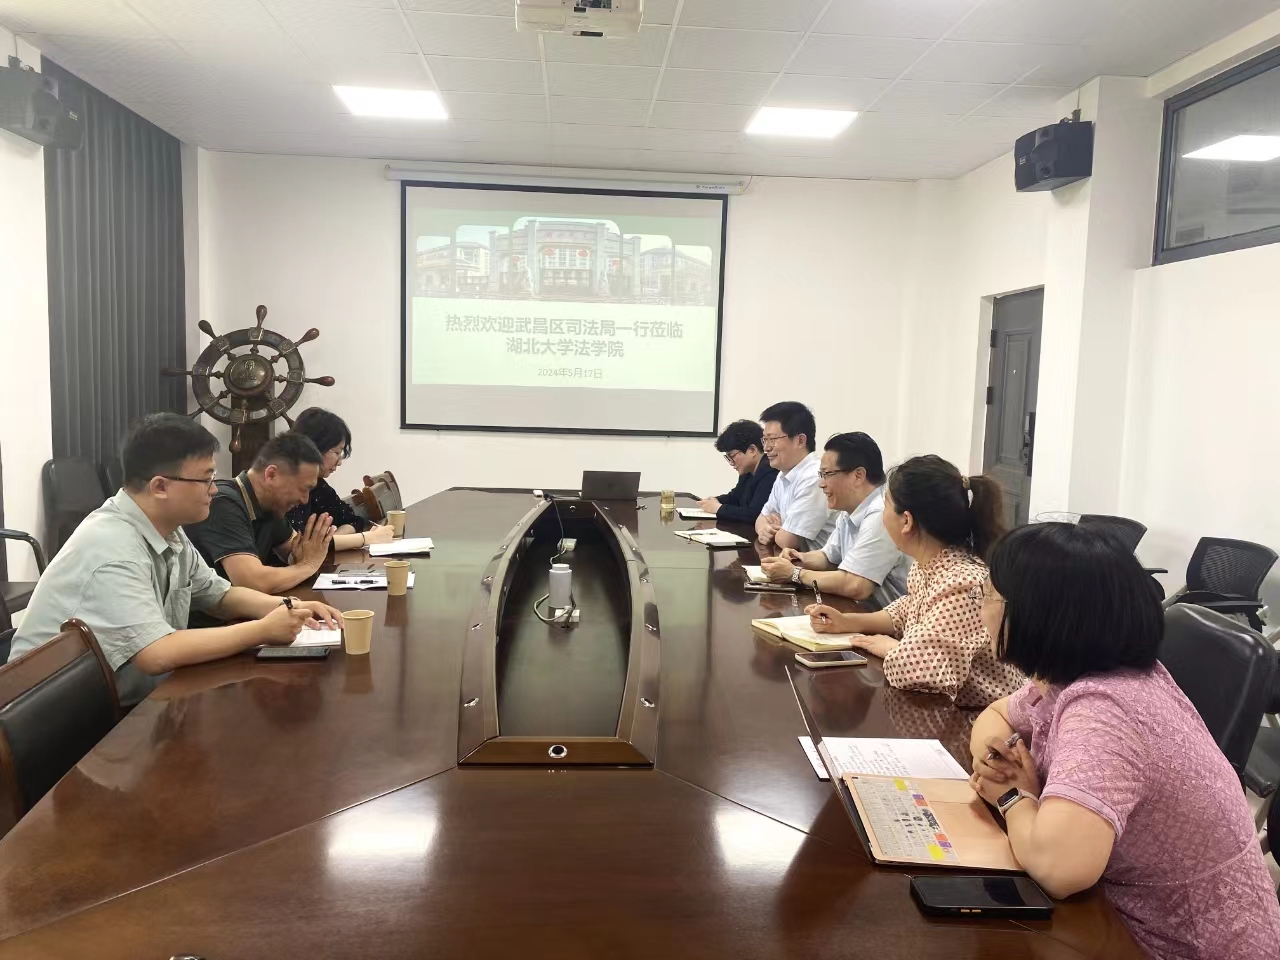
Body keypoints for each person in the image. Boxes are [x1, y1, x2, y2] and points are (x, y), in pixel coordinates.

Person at [968, 523, 1280, 959]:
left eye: (988, 595)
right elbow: (996, 715)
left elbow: (1060, 869)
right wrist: (999, 760)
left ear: (1037, 615)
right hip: (1123, 916)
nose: (981, 608)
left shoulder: (1106, 709)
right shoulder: (1076, 676)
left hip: (1181, 945)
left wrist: (1012, 796)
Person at [7, 414, 342, 707]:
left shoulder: (168, 531)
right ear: (160, 487)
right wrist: (261, 630)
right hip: (60, 724)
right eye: (206, 479)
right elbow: (157, 653)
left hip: (125, 701)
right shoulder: (111, 546)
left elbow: (219, 595)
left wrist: (290, 606)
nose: (214, 489)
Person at [805, 455, 1024, 706]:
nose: (882, 515)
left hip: (980, 716)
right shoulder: (929, 565)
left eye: (886, 505)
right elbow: (908, 610)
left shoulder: (963, 583)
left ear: (906, 521)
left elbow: (924, 673)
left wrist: (890, 647)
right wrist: (848, 622)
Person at [759, 432, 909, 607]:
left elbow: (857, 585)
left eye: (827, 474)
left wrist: (795, 574)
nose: (821, 484)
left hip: (894, 621)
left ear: (858, 475)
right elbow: (829, 557)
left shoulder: (881, 513)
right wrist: (798, 558)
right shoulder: (850, 508)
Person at [185, 431, 334, 596]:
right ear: (271, 475)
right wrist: (308, 566)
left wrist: (305, 557)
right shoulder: (222, 501)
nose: (305, 500)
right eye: (303, 488)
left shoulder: (270, 505)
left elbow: (297, 550)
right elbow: (253, 582)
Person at [286, 408, 393, 551]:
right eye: (337, 452)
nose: (340, 462)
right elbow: (299, 546)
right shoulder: (286, 488)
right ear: (315, 447)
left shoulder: (318, 485)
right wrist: (366, 538)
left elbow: (353, 520)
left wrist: (331, 540)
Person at [753, 401, 835, 552]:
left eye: (773, 439)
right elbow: (760, 519)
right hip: (793, 559)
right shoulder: (784, 473)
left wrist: (778, 527)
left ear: (800, 441)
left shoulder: (815, 476)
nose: (766, 447)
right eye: (765, 440)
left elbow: (789, 541)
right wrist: (766, 528)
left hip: (820, 564)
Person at [696, 419, 777, 525]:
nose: (731, 463)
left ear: (752, 450)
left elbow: (755, 514)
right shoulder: (748, 472)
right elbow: (734, 498)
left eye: (732, 456)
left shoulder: (770, 472)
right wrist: (714, 501)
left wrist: (718, 508)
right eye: (728, 458)